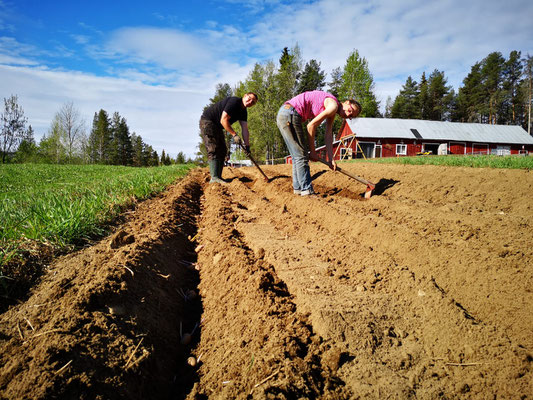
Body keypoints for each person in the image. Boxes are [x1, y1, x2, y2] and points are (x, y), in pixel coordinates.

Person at [277, 90, 361, 196]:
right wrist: (313, 151)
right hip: (290, 113)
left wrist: (331, 159)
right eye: (350, 110)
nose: (348, 115)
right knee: (301, 156)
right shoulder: (333, 106)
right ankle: (307, 191)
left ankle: (298, 190)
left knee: (297, 156)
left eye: (351, 115)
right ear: (347, 102)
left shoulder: (332, 109)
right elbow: (310, 126)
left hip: (285, 112)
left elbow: (328, 135)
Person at [200, 92, 258, 183]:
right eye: (250, 98)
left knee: (222, 150)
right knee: (213, 148)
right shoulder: (234, 102)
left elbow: (245, 129)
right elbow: (223, 120)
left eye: (253, 102)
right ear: (245, 96)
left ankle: (218, 177)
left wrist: (247, 146)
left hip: (218, 126)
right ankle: (214, 177)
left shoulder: (243, 112)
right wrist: (234, 134)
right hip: (208, 121)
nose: (250, 102)